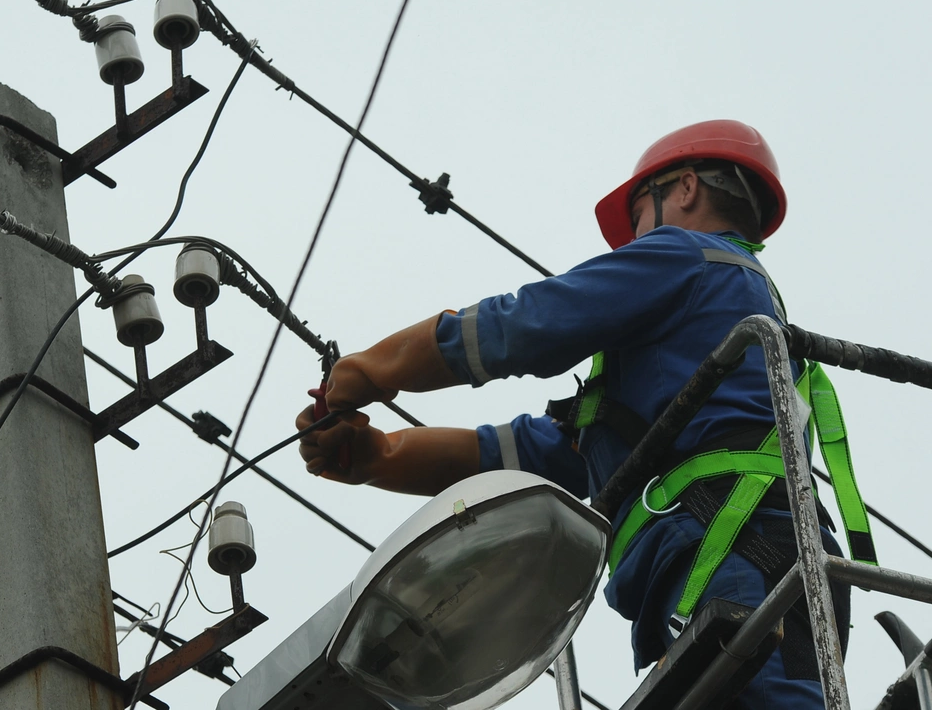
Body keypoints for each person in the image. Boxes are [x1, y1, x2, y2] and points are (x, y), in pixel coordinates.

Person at [297, 120, 869, 709]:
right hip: (752, 554)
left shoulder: (685, 256)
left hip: (733, 548)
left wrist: (371, 370)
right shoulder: (704, 333)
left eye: (637, 220)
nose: (631, 244)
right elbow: (521, 455)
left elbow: (525, 326)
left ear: (687, 188)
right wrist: (379, 457)